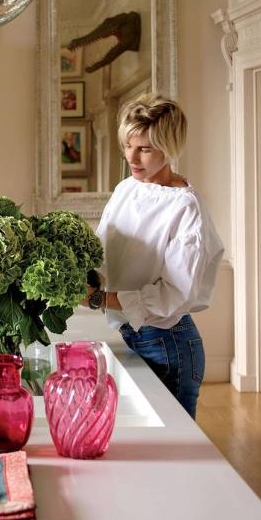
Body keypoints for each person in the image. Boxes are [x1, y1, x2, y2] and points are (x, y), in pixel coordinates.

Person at [87, 94, 223, 420]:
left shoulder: (185, 207)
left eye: (144, 149)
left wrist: (98, 300)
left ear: (169, 147)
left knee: (174, 449)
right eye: (128, 145)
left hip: (167, 344)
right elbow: (101, 252)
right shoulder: (127, 189)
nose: (132, 157)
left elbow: (173, 294)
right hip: (129, 333)